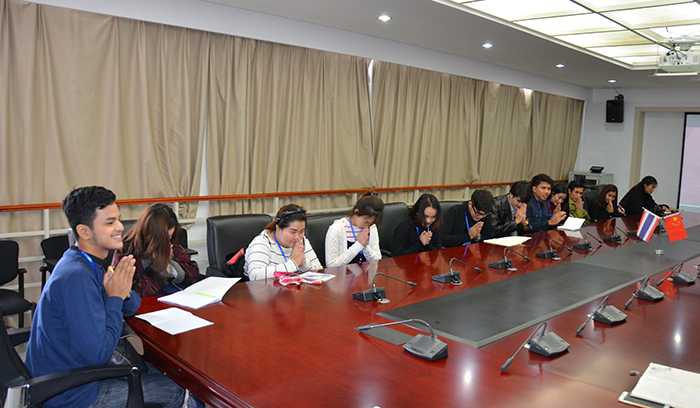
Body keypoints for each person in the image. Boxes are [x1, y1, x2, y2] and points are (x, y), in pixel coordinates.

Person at [26, 186, 185, 408]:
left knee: (170, 372)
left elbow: (132, 306)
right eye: (110, 223)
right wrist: (115, 298)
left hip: (76, 373)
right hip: (71, 392)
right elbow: (99, 354)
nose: (120, 227)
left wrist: (122, 292)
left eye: (118, 219)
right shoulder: (76, 277)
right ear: (84, 231)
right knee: (178, 389)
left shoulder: (86, 262)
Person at [113, 203, 200, 297]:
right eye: (162, 238)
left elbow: (194, 273)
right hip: (148, 301)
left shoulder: (170, 242)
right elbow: (136, 293)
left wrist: (170, 267)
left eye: (169, 237)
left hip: (173, 296)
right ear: (149, 234)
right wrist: (160, 266)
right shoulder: (127, 250)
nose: (166, 242)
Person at [244, 204, 322, 281]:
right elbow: (255, 275)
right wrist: (293, 264)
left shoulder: (301, 240)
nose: (298, 237)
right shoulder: (262, 242)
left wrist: (304, 263)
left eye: (301, 231)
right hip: (265, 288)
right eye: (293, 232)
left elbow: (319, 270)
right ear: (278, 229)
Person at [325, 192, 383, 267]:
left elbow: (377, 260)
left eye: (370, 224)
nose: (367, 226)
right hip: (342, 273)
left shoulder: (372, 228)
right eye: (365, 222)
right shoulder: (336, 229)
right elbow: (331, 265)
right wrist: (358, 245)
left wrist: (365, 247)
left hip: (366, 273)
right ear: (356, 212)